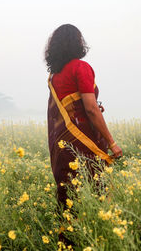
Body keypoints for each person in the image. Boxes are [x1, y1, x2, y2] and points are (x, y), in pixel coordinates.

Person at [45, 24, 123, 210]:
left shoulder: (54, 76)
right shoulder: (81, 67)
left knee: (70, 197)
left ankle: (69, 235)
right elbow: (91, 109)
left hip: (64, 145)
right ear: (77, 43)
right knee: (97, 192)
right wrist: (112, 143)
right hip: (85, 141)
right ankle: (97, 233)